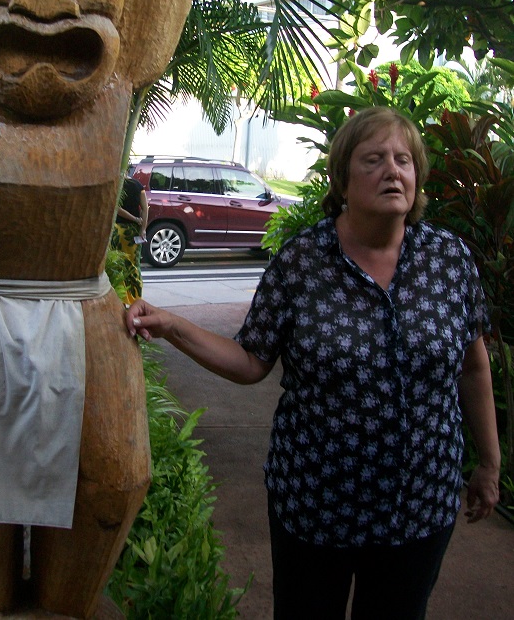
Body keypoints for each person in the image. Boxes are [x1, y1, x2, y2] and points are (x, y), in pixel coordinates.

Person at [125, 107, 501, 620]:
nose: (394, 171)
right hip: (316, 504)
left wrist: (489, 463)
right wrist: (170, 324)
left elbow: (473, 368)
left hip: (420, 505)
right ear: (342, 177)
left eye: (404, 160)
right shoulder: (303, 262)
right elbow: (251, 359)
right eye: (374, 159)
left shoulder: (448, 260)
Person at [111, 175, 149, 304]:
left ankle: (121, 299)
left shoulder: (116, 183)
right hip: (133, 232)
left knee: (118, 265)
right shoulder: (137, 185)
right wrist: (142, 228)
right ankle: (136, 299)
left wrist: (134, 219)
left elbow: (116, 208)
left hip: (117, 230)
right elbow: (145, 209)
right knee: (133, 265)